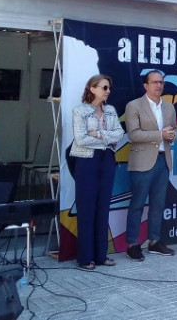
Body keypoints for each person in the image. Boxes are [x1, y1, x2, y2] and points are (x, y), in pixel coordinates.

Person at [70, 75, 125, 270]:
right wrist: (106, 139)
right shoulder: (80, 111)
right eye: (104, 87)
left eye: (109, 88)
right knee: (86, 209)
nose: (107, 91)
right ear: (92, 89)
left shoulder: (110, 110)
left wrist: (100, 134)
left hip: (107, 160)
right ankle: (85, 258)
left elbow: (119, 134)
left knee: (103, 207)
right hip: (87, 160)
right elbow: (81, 139)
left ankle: (101, 255)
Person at [125, 70, 177, 261]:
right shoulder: (134, 105)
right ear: (145, 85)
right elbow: (134, 135)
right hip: (142, 161)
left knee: (158, 205)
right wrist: (160, 135)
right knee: (137, 204)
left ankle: (154, 242)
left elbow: (174, 129)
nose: (159, 85)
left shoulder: (169, 107)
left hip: (163, 160)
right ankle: (132, 244)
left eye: (161, 82)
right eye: (154, 82)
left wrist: (172, 135)